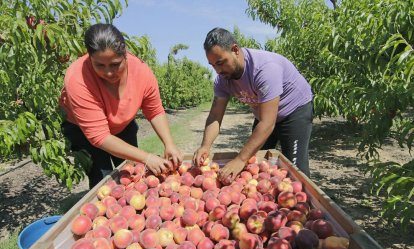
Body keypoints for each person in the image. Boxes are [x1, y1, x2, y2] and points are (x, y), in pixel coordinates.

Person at [60, 23, 183, 188]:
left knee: (131, 172)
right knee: (103, 181)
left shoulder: (141, 72)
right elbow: (99, 136)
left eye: (115, 64)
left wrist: (169, 144)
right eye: (100, 65)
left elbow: (154, 111)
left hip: (123, 125)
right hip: (84, 132)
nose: (109, 72)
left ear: (125, 54)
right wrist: (147, 157)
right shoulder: (77, 78)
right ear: (89, 58)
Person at [193, 27, 313, 182]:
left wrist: (240, 159)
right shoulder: (223, 80)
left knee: (297, 172)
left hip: (294, 111)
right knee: (254, 166)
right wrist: (205, 146)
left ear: (235, 50)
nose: (217, 70)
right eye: (213, 65)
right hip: (264, 112)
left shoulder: (264, 69)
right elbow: (215, 116)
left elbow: (267, 123)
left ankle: (304, 205)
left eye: (221, 62)